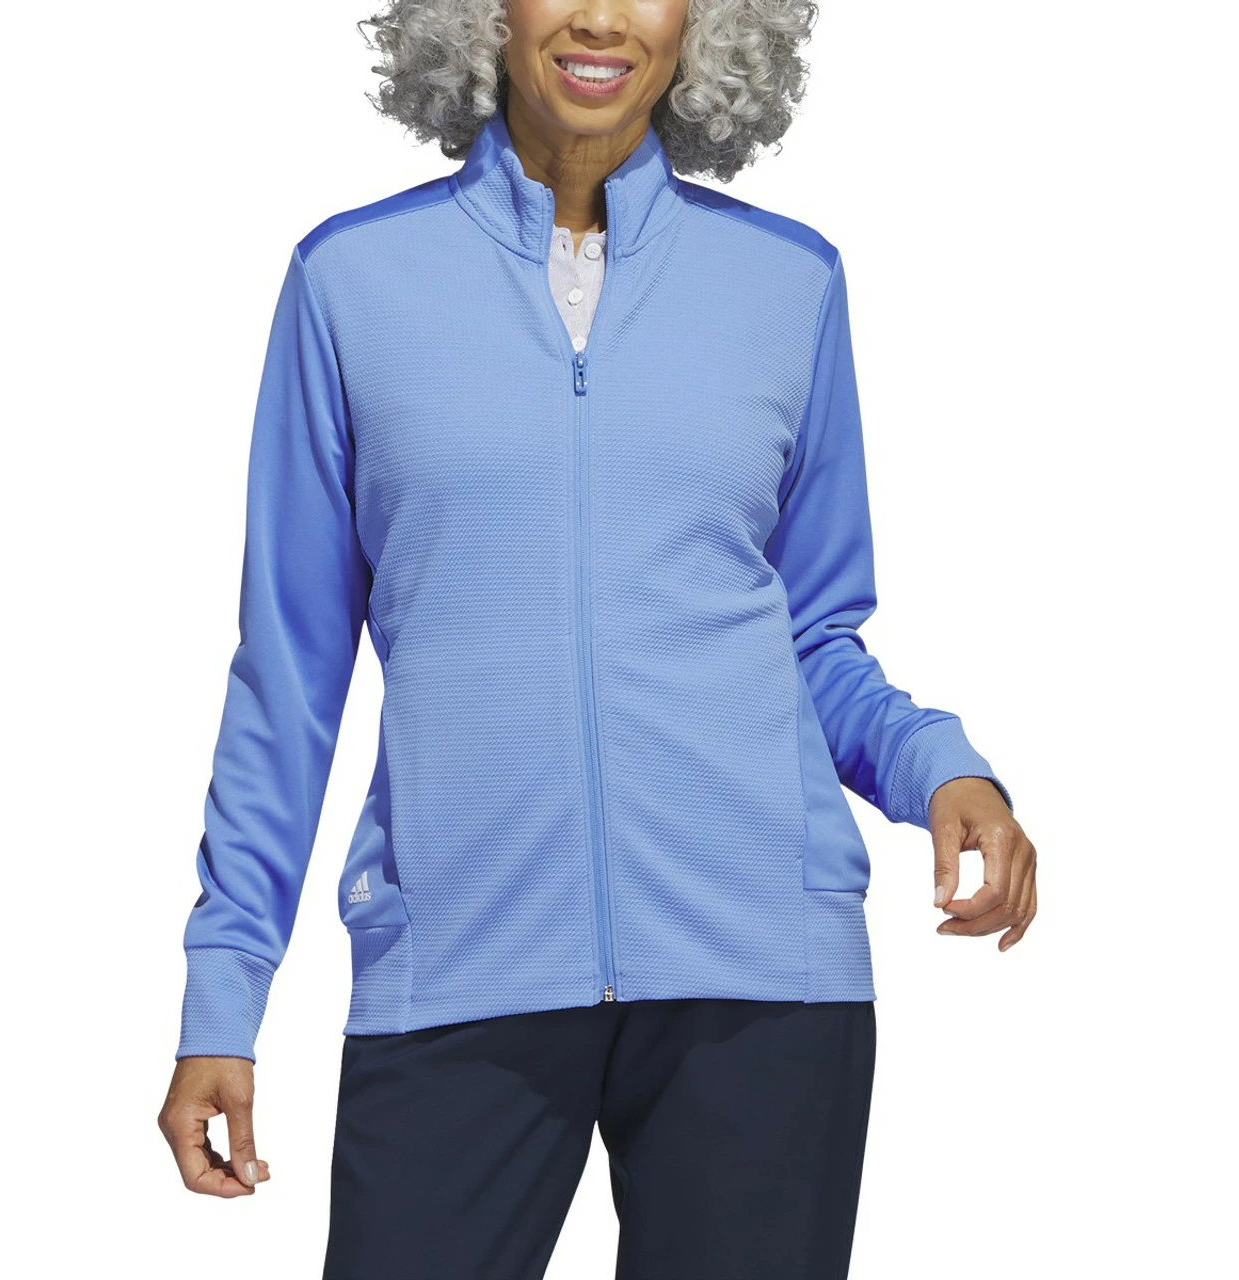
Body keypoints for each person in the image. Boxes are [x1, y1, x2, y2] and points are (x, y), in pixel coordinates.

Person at [158, 0, 1038, 1275]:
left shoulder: (786, 284)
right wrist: (223, 989)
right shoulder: (351, 282)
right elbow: (289, 672)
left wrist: (941, 768)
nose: (599, 17)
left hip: (758, 981)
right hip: (458, 962)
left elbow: (812, 635)